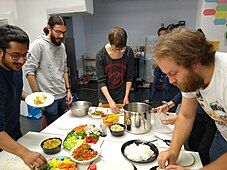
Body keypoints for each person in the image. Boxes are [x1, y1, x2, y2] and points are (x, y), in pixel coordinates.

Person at [152, 28, 227, 170]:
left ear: (195, 63)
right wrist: (173, 150)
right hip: (222, 136)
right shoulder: (191, 78)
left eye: (173, 73)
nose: (171, 81)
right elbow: (186, 115)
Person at [0, 25, 47, 169]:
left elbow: (14, 90)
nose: (21, 61)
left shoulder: (14, 68)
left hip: (13, 131)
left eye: (25, 54)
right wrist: (24, 153)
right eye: (15, 55)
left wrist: (30, 99)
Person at [25, 16, 73, 126]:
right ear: (49, 28)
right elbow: (29, 72)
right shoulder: (38, 45)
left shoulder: (62, 46)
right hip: (48, 98)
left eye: (63, 32)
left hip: (62, 95)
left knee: (62, 125)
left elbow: (64, 69)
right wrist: (38, 98)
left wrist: (68, 89)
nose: (61, 36)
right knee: (51, 129)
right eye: (58, 32)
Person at [156, 91, 217, 165]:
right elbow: (187, 91)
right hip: (200, 118)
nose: (171, 81)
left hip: (214, 122)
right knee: (193, 145)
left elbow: (187, 116)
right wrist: (169, 105)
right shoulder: (192, 84)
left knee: (204, 152)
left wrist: (180, 118)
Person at [96, 27, 134, 113]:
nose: (120, 52)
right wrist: (110, 101)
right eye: (117, 49)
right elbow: (101, 81)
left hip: (122, 94)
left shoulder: (128, 52)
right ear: (110, 43)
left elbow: (129, 76)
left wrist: (126, 96)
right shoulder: (101, 55)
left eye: (122, 49)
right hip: (105, 96)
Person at [149, 27, 170, 103]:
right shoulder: (158, 44)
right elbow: (156, 54)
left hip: (166, 67)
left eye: (163, 34)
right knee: (154, 83)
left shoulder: (170, 44)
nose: (162, 35)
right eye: (160, 34)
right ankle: (150, 98)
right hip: (158, 66)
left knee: (165, 84)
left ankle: (166, 99)